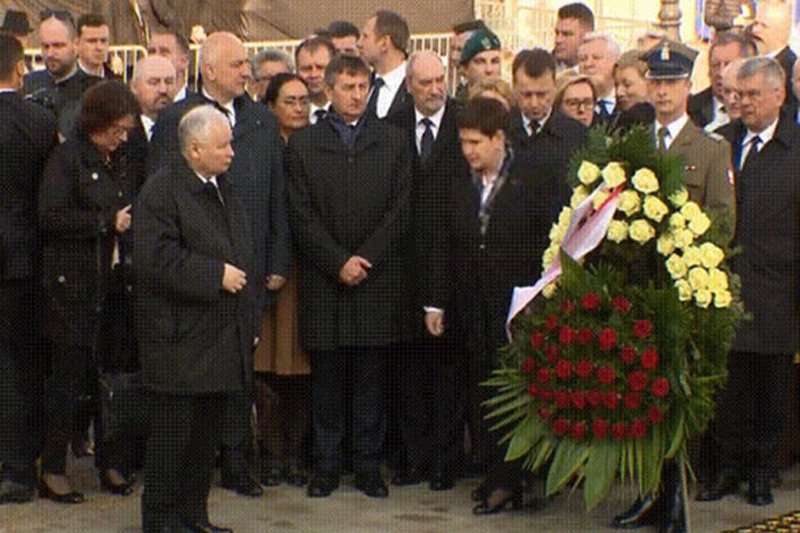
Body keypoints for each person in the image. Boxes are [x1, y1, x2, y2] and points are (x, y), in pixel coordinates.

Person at [150, 31, 291, 498]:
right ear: (208, 69)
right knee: (196, 383)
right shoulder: (178, 121)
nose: (245, 72)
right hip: (197, 279)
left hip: (248, 269)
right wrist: (205, 271)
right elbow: (163, 205)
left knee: (239, 370)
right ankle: (188, 483)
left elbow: (276, 194)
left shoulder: (260, 122)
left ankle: (235, 461)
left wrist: (276, 257)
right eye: (236, 65)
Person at [611, 39, 735, 533]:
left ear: (689, 86)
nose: (662, 93)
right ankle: (648, 493)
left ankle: (676, 498)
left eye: (672, 83)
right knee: (641, 395)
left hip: (683, 290)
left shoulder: (709, 148)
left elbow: (723, 221)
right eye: (656, 83)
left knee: (677, 396)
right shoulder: (632, 145)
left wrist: (689, 253)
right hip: (638, 288)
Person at [425, 97, 566, 514]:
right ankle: (494, 473)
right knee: (480, 391)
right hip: (472, 305)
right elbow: (444, 245)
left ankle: (513, 479)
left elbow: (551, 243)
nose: (469, 151)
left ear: (499, 138)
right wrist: (436, 303)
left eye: (476, 142)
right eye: (464, 142)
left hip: (519, 307)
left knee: (516, 393)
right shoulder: (459, 181)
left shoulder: (533, 178)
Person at [287, 54, 411, 499]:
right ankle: (326, 465)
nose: (356, 95)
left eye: (363, 87)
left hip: (376, 281)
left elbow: (400, 210)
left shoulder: (392, 142)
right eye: (348, 87)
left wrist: (366, 258)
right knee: (328, 380)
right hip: (327, 280)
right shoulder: (304, 145)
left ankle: (367, 465)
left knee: (370, 381)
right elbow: (300, 213)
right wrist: (337, 260)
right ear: (330, 90)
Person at [135, 104, 256, 533]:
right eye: (222, 146)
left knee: (204, 438)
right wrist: (214, 274)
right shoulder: (162, 192)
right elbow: (155, 260)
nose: (231, 153)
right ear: (194, 148)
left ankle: (193, 515)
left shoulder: (222, 186)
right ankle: (162, 519)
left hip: (220, 337)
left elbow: (240, 244)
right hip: (178, 340)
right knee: (172, 438)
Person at [699, 56, 800, 508]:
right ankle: (727, 467)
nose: (743, 103)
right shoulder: (721, 142)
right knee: (727, 389)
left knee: (770, 392)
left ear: (779, 95)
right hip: (723, 287)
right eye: (738, 95)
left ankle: (762, 470)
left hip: (778, 289)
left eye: (753, 95)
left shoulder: (795, 148)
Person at [38, 80, 143, 503]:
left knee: (112, 378)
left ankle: (111, 461)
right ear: (96, 123)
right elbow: (51, 215)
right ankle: (53, 465)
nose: (122, 137)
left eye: (127, 130)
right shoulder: (67, 160)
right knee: (68, 379)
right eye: (116, 129)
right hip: (73, 287)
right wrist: (104, 223)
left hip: (114, 282)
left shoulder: (120, 160)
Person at [387, 51, 470, 492]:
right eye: (426, 83)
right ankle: (412, 458)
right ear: (410, 86)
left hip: (453, 267)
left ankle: (445, 460)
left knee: (448, 373)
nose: (436, 89)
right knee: (410, 372)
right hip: (404, 270)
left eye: (441, 80)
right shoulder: (393, 125)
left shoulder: (463, 123)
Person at [0, 33, 58, 505]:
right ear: (19, 69)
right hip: (24, 261)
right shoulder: (39, 121)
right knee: (19, 365)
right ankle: (19, 468)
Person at [256, 72, 311, 488]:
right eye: (289, 100)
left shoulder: (314, 145)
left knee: (302, 365)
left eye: (304, 100)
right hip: (271, 270)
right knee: (269, 366)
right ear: (271, 105)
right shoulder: (261, 146)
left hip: (308, 269)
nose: (299, 108)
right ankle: (272, 453)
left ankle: (296, 452)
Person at [23, 10, 100, 138]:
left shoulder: (95, 90)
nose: (50, 53)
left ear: (75, 44)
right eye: (45, 46)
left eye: (58, 46)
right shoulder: (26, 85)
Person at [509, 48, 588, 151]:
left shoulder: (576, 135)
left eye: (541, 95)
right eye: (527, 95)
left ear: (555, 88)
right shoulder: (500, 131)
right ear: (514, 89)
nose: (534, 104)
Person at [688, 31, 750, 131]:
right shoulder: (690, 108)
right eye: (716, 65)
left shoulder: (757, 107)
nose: (721, 73)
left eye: (728, 64)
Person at [359, 10, 410, 119]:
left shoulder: (415, 86)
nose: (359, 44)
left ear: (384, 43)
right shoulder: (363, 85)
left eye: (365, 36)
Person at [748, 0, 797, 113]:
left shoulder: (791, 70)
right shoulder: (748, 59)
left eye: (763, 26)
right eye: (755, 23)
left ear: (781, 32)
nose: (755, 30)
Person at [578, 33, 620, 123]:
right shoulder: (573, 108)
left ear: (616, 62)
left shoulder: (628, 103)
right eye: (583, 59)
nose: (588, 64)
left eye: (596, 58)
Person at [295, 37, 335, 124]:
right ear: (297, 72)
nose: (314, 75)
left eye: (320, 68)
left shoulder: (351, 113)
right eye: (306, 69)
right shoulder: (288, 118)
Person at [456, 27, 502, 103]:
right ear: (465, 69)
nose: (489, 69)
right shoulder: (454, 111)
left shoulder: (512, 109)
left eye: (495, 61)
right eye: (480, 62)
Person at [146, 30, 191, 101]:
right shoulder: (137, 107)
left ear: (184, 61)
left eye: (164, 52)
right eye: (152, 52)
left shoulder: (200, 108)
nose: (156, 57)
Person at [553, 2, 594, 72]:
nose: (558, 40)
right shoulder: (542, 69)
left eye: (566, 34)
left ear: (587, 37)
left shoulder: (602, 74)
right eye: (557, 33)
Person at [75, 14, 114, 79]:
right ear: (77, 44)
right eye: (92, 41)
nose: (99, 47)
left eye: (103, 41)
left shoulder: (115, 81)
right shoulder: (63, 83)